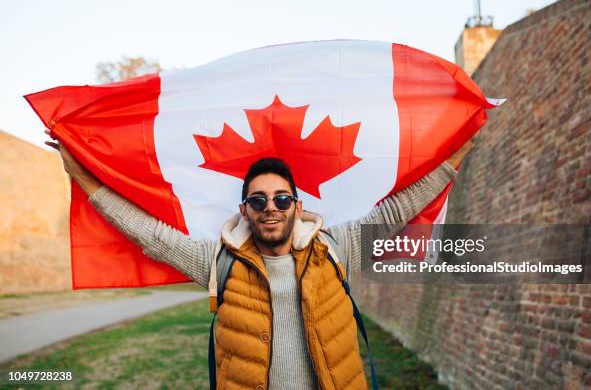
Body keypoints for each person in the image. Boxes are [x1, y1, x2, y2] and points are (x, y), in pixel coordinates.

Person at [46, 132, 473, 390]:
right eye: (259, 199)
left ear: (296, 205)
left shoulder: (337, 248)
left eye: (282, 198)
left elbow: (396, 210)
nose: (272, 207)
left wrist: (460, 152)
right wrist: (79, 172)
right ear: (245, 209)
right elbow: (149, 235)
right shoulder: (219, 261)